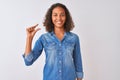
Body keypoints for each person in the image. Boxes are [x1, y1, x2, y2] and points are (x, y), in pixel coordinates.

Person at [23, 3, 84, 80]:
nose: (59, 18)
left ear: (66, 17)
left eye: (62, 15)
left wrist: (80, 78)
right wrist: (29, 38)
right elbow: (28, 61)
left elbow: (78, 62)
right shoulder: (44, 38)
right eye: (55, 15)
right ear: (51, 17)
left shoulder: (74, 38)